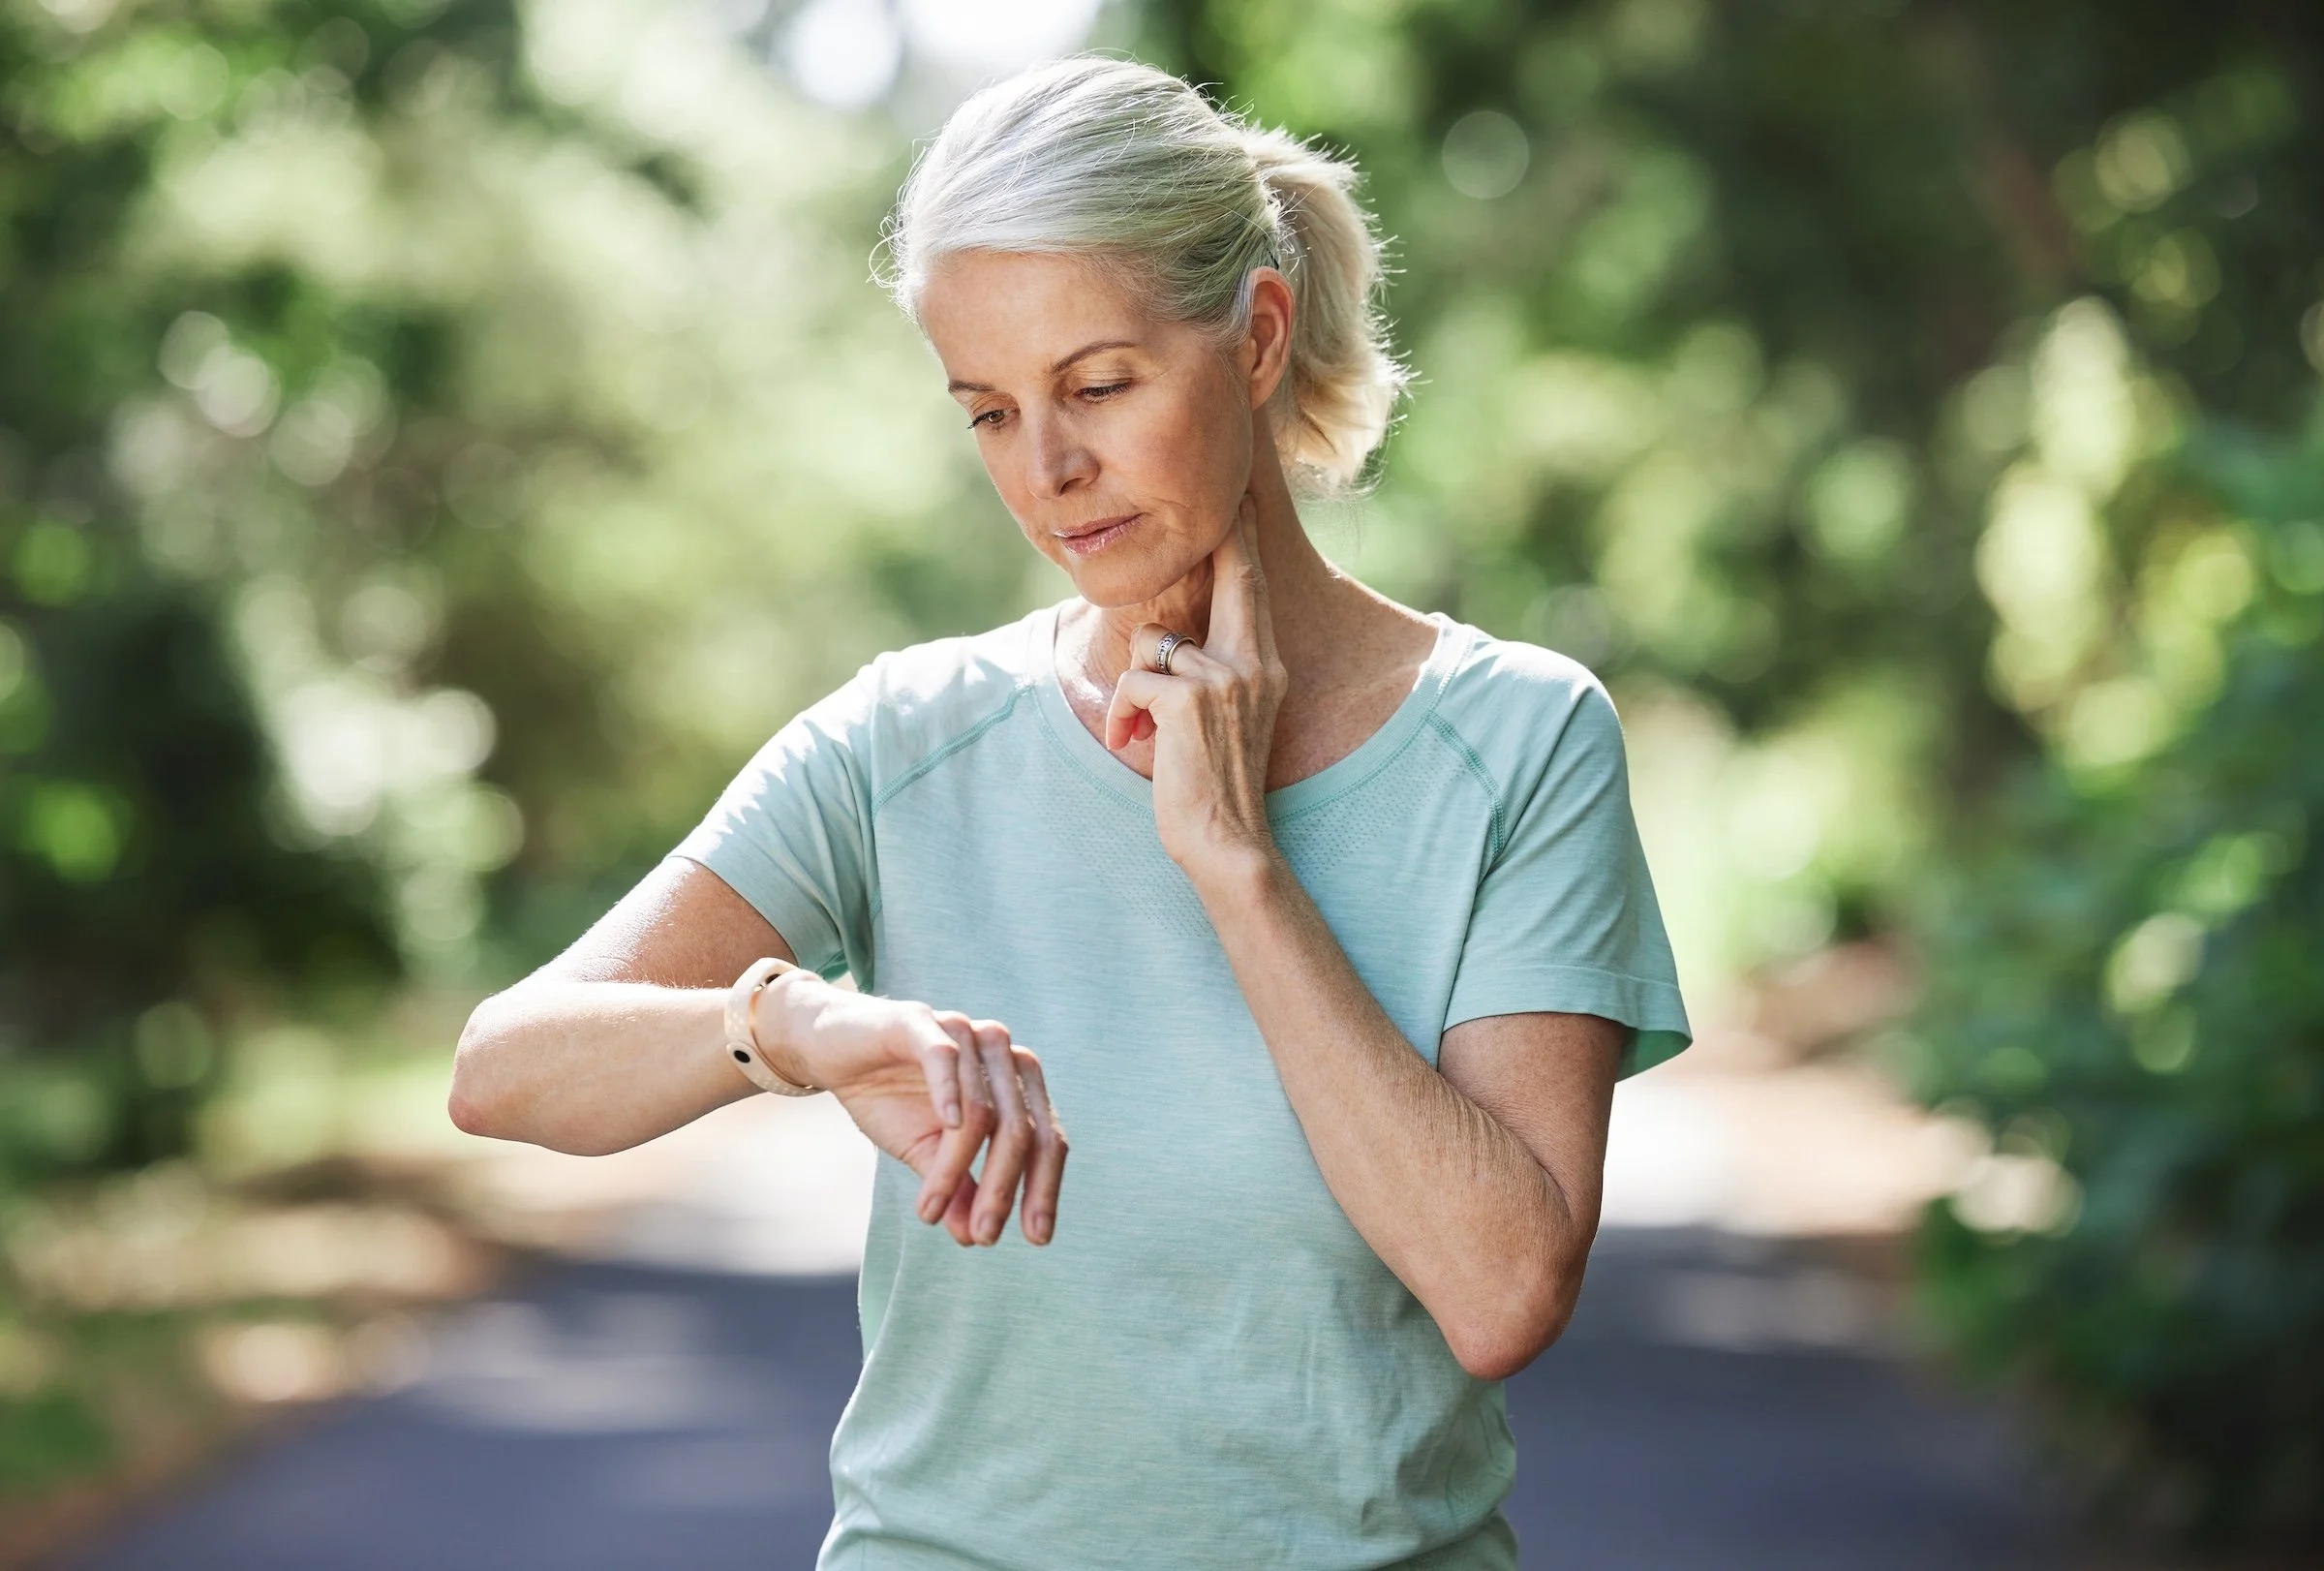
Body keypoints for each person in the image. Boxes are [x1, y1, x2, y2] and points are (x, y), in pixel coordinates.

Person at [448, 50, 1692, 1570]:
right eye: (987, 410)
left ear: (1257, 338)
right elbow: (503, 1071)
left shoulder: (1521, 737)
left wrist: (1239, 870)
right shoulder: (906, 740)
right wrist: (793, 1026)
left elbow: (1502, 1291)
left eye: (1098, 384)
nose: (1049, 471)